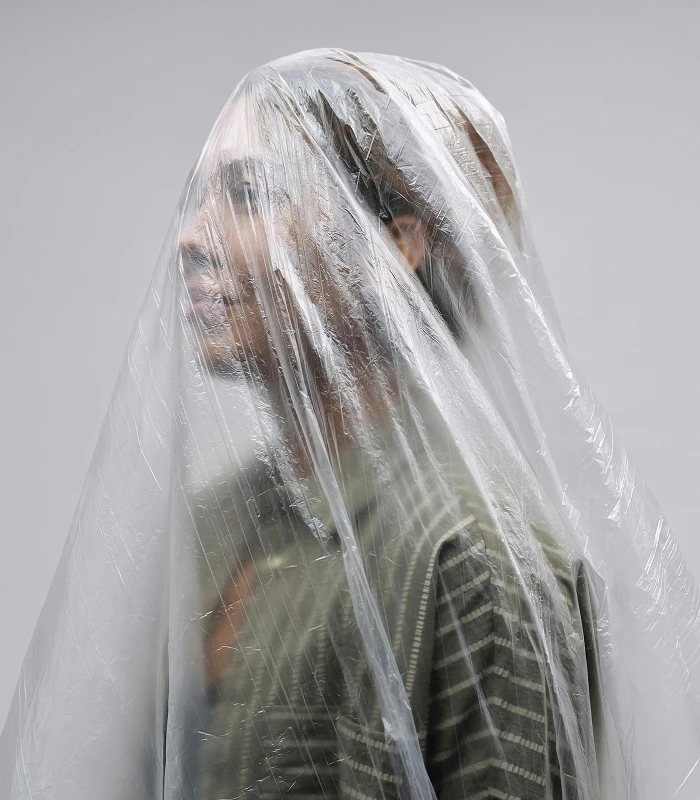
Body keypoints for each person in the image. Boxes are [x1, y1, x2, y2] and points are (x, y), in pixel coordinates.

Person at [3, 48, 700, 800]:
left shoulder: (475, 564)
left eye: (249, 195)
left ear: (391, 249)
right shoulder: (219, 521)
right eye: (200, 198)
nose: (190, 238)